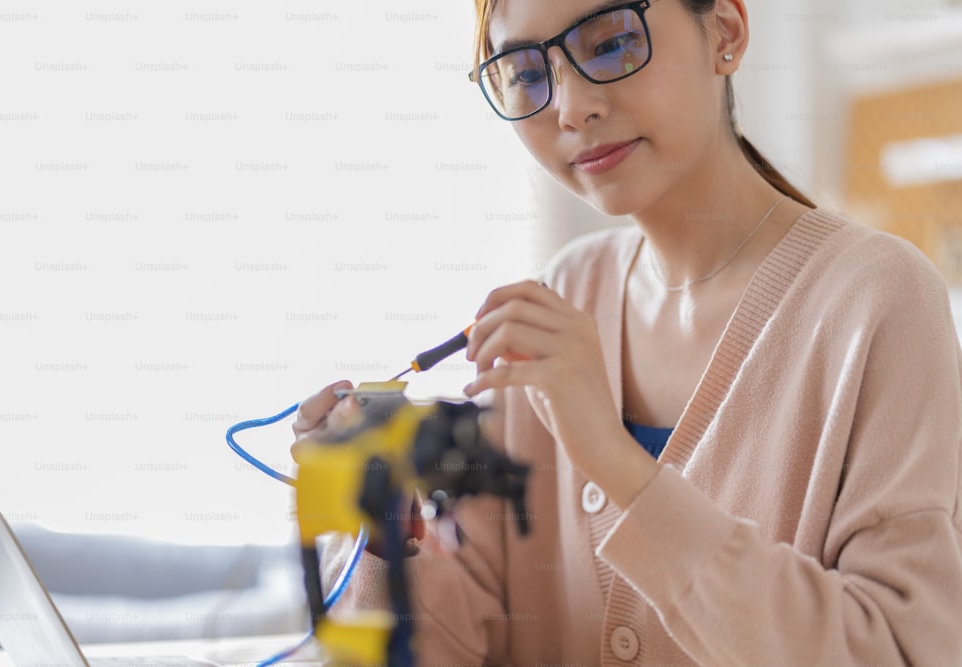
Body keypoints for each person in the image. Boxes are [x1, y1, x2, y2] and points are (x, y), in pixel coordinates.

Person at [292, 0, 962, 664]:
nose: (571, 106)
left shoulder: (879, 299)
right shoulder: (561, 296)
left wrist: (616, 463)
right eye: (525, 71)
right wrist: (382, 534)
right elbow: (448, 644)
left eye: (610, 42)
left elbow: (900, 651)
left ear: (724, 33)